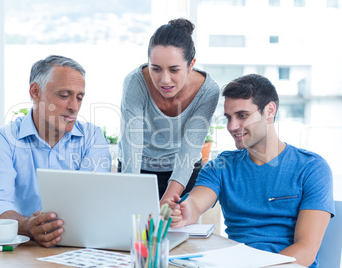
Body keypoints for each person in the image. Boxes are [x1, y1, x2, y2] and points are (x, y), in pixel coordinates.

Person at [166, 74, 334, 268]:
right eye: (229, 117)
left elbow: (306, 250)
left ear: (269, 111)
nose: (232, 126)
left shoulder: (312, 168)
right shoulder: (220, 166)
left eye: (242, 116)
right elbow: (196, 202)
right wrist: (185, 212)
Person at [0, 55, 111, 248]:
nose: (74, 107)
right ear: (35, 92)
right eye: (64, 95)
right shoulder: (3, 140)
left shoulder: (92, 137)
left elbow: (94, 203)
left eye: (79, 97)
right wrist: (27, 226)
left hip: (78, 249)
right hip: (22, 251)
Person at [118, 18, 220, 203]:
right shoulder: (135, 82)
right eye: (155, 69)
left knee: (179, 229)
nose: (164, 79)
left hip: (184, 171)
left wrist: (166, 202)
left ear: (191, 65)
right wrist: (129, 194)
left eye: (174, 70)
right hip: (138, 168)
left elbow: (189, 150)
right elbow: (131, 146)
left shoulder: (208, 91)